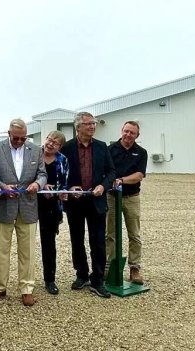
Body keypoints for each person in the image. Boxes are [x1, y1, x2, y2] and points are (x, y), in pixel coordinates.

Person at [0, 119, 47, 306]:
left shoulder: (36, 149)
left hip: (28, 207)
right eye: (16, 138)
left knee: (27, 250)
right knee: (1, 249)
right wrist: (3, 187)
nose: (20, 141)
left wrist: (37, 184)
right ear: (9, 134)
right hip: (4, 206)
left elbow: (42, 174)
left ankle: (27, 288)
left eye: (23, 138)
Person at [61, 112, 116, 299]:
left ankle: (98, 280)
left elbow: (111, 171)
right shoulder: (66, 148)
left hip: (96, 201)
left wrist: (103, 185)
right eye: (88, 124)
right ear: (78, 127)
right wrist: (68, 188)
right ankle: (81, 275)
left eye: (94, 123)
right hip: (75, 203)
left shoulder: (101, 147)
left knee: (98, 241)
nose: (93, 126)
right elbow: (60, 174)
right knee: (77, 240)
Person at [105, 121, 148, 285]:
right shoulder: (110, 150)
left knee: (134, 234)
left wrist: (121, 180)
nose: (128, 135)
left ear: (137, 135)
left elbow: (139, 175)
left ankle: (134, 268)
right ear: (121, 131)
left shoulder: (141, 152)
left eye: (132, 133)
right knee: (111, 234)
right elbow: (106, 171)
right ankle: (111, 267)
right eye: (126, 131)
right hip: (111, 197)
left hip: (131, 197)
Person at [37, 130, 69, 295]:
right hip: (30, 203)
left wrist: (58, 192)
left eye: (55, 143)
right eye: (49, 140)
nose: (50, 144)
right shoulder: (34, 153)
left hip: (51, 206)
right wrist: (40, 186)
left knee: (49, 244)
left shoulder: (63, 160)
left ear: (60, 147)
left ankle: (50, 279)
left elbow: (64, 183)